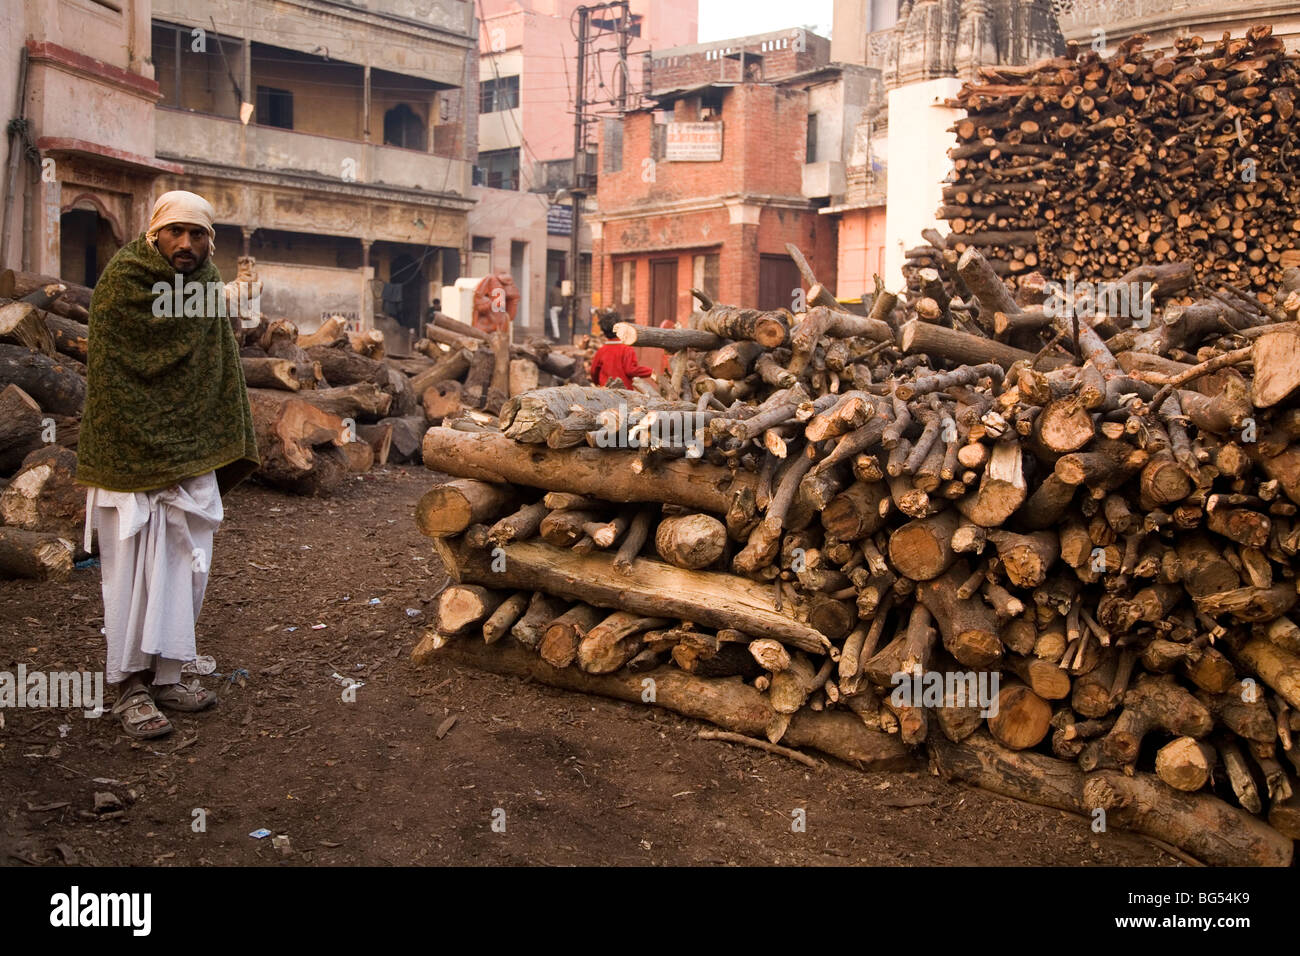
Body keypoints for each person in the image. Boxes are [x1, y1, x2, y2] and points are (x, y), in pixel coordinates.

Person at [76, 190, 260, 740]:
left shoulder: (205, 289)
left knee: (186, 564)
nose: (185, 243)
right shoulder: (122, 284)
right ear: (154, 233)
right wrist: (148, 439)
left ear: (209, 241)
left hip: (190, 458)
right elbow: (113, 377)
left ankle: (169, 673)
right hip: (128, 457)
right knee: (130, 575)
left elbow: (218, 372)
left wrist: (200, 441)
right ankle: (128, 685)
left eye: (197, 234)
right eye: (175, 232)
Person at [589, 309, 654, 389]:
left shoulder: (601, 351)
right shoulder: (627, 349)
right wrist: (650, 372)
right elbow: (631, 370)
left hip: (605, 392)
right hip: (625, 392)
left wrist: (598, 383)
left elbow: (593, 371)